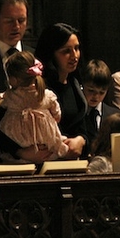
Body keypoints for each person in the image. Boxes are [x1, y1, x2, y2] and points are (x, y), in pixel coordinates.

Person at [0, 51, 68, 163]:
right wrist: (54, 118)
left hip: (20, 142)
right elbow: (57, 113)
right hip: (45, 141)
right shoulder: (46, 95)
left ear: (13, 79)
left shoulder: (11, 96)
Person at [35, 23, 88, 158]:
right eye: (66, 51)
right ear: (51, 54)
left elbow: (82, 127)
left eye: (76, 48)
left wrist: (80, 140)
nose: (74, 56)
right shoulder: (39, 88)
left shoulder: (74, 83)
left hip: (74, 162)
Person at [81, 59, 120, 149]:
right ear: (82, 86)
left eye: (101, 92)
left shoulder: (115, 116)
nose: (96, 96)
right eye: (91, 90)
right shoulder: (76, 114)